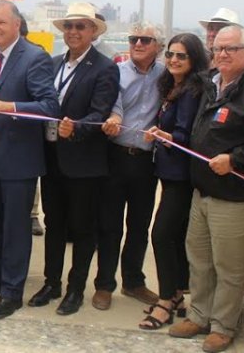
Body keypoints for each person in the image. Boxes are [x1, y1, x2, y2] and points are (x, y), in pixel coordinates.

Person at [169, 25, 244, 353]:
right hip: (204, 192)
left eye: (231, 49)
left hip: (236, 198)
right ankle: (199, 314)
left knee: (230, 267)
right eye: (218, 49)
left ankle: (223, 326)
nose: (221, 54)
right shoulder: (212, 84)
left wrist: (235, 160)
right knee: (200, 259)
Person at [0, 0, 60, 319]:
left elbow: (50, 107)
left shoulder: (35, 57)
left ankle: (12, 291)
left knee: (15, 226)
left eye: (0, 23)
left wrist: (11, 107)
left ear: (17, 24)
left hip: (18, 158)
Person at [29, 3, 119, 316]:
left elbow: (101, 111)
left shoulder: (105, 67)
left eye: (81, 26)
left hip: (84, 162)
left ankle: (76, 288)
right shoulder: (53, 64)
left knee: (82, 229)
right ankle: (51, 282)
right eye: (69, 26)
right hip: (51, 157)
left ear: (93, 31)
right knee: (54, 224)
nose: (74, 32)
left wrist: (76, 128)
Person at [138, 33, 207, 330]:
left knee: (162, 234)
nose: (174, 60)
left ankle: (166, 299)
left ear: (194, 60)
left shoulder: (192, 91)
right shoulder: (173, 87)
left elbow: (189, 135)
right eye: (170, 55)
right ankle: (177, 292)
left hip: (181, 175)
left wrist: (166, 137)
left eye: (182, 56)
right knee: (175, 236)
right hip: (168, 173)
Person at [95, 22, 165, 311]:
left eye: (145, 40)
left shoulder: (166, 75)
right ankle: (104, 285)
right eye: (134, 38)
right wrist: (113, 117)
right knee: (109, 226)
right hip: (115, 155)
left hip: (146, 161)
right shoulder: (117, 71)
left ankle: (133, 281)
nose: (138, 43)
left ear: (158, 46)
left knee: (139, 225)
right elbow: (112, 103)